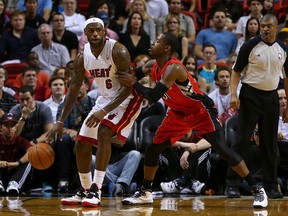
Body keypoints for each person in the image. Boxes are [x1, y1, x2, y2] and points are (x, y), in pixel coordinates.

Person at [116, 32, 268, 208]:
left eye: (157, 41)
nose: (152, 42)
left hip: (200, 111)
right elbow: (131, 72)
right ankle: (145, 192)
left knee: (223, 150)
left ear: (166, 48)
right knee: (152, 149)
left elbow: (152, 95)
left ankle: (257, 188)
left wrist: (133, 83)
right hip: (177, 113)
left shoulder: (174, 68)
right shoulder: (152, 65)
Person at [46, 17, 142, 207]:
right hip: (105, 98)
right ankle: (84, 190)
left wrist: (104, 111)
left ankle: (96, 189)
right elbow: (73, 89)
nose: (95, 34)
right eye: (91, 30)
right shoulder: (83, 56)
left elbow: (128, 88)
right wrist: (60, 121)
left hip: (127, 100)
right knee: (81, 144)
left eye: (99, 30)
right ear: (85, 32)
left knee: (104, 132)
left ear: (105, 30)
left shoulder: (118, 51)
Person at [226, 14, 287, 200]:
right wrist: (234, 95)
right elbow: (235, 73)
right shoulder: (249, 46)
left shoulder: (283, 49)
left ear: (276, 27)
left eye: (269, 26)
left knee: (270, 143)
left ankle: (270, 186)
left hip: (271, 97)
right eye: (263, 26)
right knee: (241, 141)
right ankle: (232, 185)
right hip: (250, 95)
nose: (265, 29)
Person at [55, 76, 95, 193]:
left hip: (89, 138)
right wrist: (69, 131)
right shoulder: (64, 105)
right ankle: (63, 180)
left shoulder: (94, 104)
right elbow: (60, 127)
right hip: (70, 141)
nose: (76, 88)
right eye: (74, 85)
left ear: (87, 87)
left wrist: (78, 133)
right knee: (63, 138)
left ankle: (85, 182)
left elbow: (97, 127)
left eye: (80, 84)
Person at [0, 112, 32, 194]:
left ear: (16, 128)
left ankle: (14, 184)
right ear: (1, 127)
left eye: (12, 126)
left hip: (15, 173)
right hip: (2, 173)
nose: (10, 129)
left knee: (29, 160)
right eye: (6, 126)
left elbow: (31, 152)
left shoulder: (20, 140)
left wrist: (17, 163)